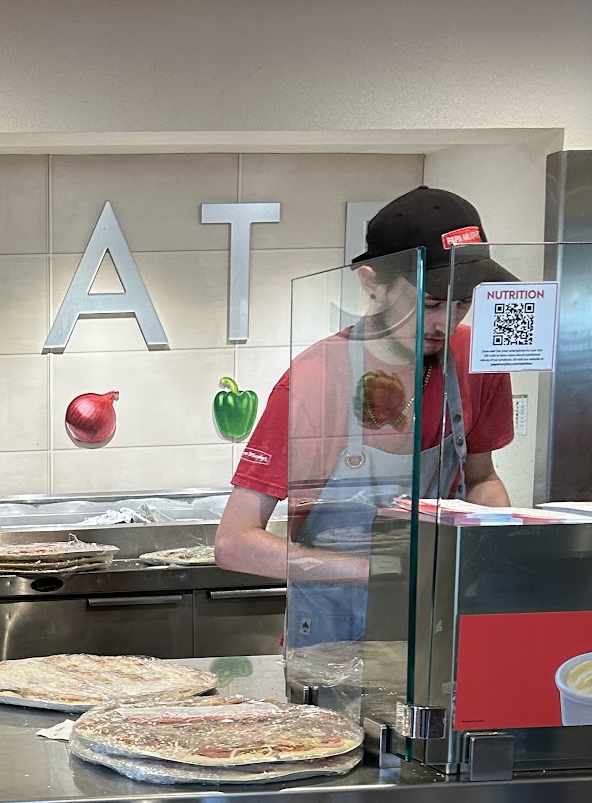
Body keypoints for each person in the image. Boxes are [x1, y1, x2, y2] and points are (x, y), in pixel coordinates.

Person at [214, 187, 515, 646]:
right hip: (332, 639)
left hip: (438, 627)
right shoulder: (316, 380)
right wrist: (384, 572)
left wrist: (499, 551)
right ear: (372, 282)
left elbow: (481, 478)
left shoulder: (476, 359)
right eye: (432, 303)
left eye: (463, 302)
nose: (447, 322)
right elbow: (235, 543)